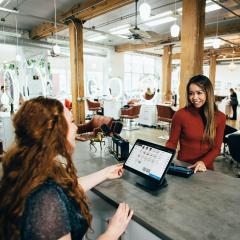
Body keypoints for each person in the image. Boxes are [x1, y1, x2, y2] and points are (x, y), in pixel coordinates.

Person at [0, 97, 133, 240]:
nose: (76, 127)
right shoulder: (45, 200)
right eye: (71, 122)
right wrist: (112, 233)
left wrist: (105, 173)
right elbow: (53, 193)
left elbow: (66, 189)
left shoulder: (31, 167)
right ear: (55, 131)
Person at [166, 75, 226, 173]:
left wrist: (203, 162)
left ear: (208, 93)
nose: (195, 98)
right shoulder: (180, 115)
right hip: (183, 166)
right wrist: (164, 158)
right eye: (191, 93)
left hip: (205, 169)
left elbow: (216, 148)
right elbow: (172, 143)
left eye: (199, 93)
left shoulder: (220, 117)